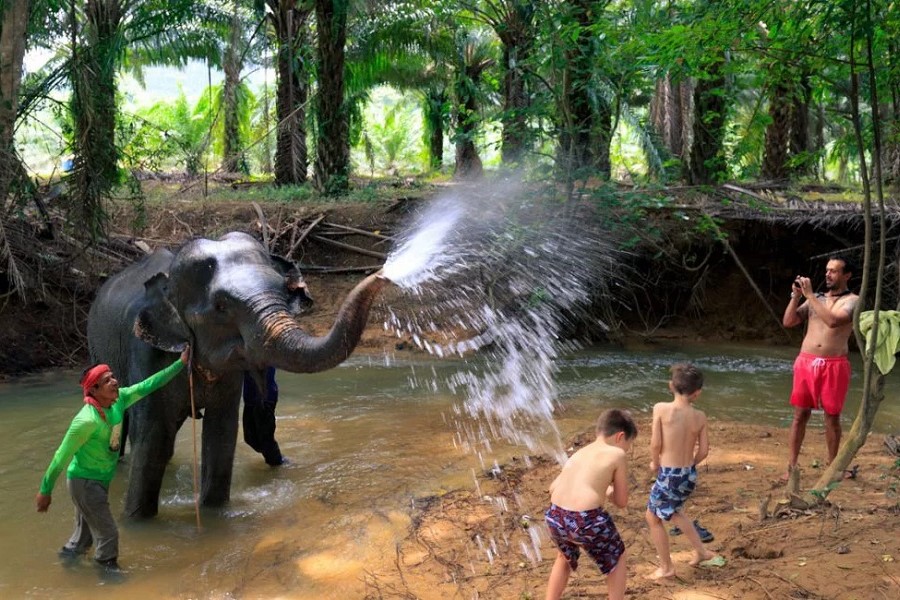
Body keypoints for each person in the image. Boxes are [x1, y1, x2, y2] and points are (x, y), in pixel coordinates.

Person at [35, 347, 190, 571]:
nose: (115, 382)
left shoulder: (119, 400)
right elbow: (61, 456)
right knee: (108, 533)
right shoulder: (85, 421)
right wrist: (45, 490)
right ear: (94, 390)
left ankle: (67, 565)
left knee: (84, 537)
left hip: (97, 480)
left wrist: (180, 363)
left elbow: (149, 385)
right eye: (107, 381)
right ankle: (108, 575)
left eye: (113, 377)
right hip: (85, 482)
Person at [544, 409, 638, 600]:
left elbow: (552, 487)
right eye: (628, 445)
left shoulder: (580, 452)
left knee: (563, 557)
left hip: (555, 516)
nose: (626, 450)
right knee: (617, 557)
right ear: (620, 436)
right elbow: (622, 502)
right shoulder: (616, 454)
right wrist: (607, 490)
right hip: (585, 519)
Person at [783, 255, 858, 478]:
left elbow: (833, 321)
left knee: (832, 416)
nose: (828, 274)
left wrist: (810, 296)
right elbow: (789, 322)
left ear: (847, 275)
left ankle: (833, 467)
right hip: (806, 361)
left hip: (834, 364)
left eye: (834, 271)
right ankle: (792, 466)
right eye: (827, 270)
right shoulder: (815, 298)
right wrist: (796, 297)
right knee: (799, 415)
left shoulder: (853, 300)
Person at [645, 363, 720, 580]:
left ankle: (667, 567)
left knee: (652, 517)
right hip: (688, 474)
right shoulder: (700, 416)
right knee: (676, 511)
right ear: (697, 393)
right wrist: (690, 465)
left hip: (669, 474)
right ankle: (702, 552)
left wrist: (654, 463)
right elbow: (704, 450)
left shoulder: (660, 408)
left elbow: (655, 443)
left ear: (671, 386)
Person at [242, 367, 285, 466]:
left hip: (265, 398)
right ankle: (276, 458)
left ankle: (278, 464)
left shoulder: (266, 352)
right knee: (249, 439)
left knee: (266, 440)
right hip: (250, 399)